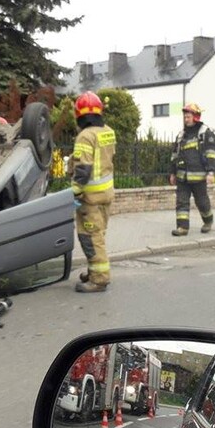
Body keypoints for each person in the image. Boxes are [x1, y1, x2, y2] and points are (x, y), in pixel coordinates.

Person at [69, 92, 116, 293]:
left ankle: (99, 279)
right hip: (106, 194)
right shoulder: (108, 131)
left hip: (90, 198)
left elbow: (83, 168)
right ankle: (93, 271)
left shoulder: (85, 136)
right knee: (99, 234)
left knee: (90, 237)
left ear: (79, 114)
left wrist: (74, 192)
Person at [169, 103, 215, 236]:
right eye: (185, 117)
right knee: (181, 202)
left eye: (188, 117)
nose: (186, 119)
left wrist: (210, 172)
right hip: (182, 177)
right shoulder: (181, 135)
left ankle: (208, 221)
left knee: (202, 202)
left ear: (195, 117)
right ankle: (182, 227)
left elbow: (211, 153)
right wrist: (172, 173)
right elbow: (174, 155)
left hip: (199, 177)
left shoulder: (205, 133)